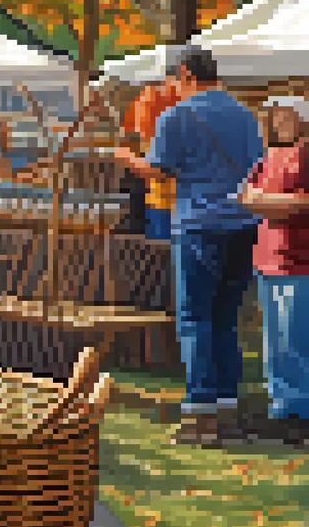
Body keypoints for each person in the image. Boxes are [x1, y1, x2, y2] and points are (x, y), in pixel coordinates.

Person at [111, 46, 264, 447]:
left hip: (200, 226)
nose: (171, 89)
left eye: (172, 82)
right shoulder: (246, 114)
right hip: (245, 225)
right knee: (226, 320)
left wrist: (126, 157)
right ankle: (228, 411)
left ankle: (200, 416)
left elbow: (159, 171)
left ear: (185, 75)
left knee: (195, 320)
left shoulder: (176, 115)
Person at [238, 96, 309, 445]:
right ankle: (281, 408)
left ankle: (299, 413)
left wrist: (267, 202)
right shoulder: (269, 156)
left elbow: (302, 202)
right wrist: (271, 202)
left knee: (296, 339)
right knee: (276, 341)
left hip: (300, 259)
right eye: (274, 117)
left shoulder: (307, 154)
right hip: (268, 259)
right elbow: (245, 194)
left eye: (285, 117)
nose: (278, 123)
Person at [124, 80, 183, 241]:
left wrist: (127, 157)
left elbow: (159, 170)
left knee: (162, 252)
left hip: (166, 201)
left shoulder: (155, 99)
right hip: (165, 200)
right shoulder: (176, 98)